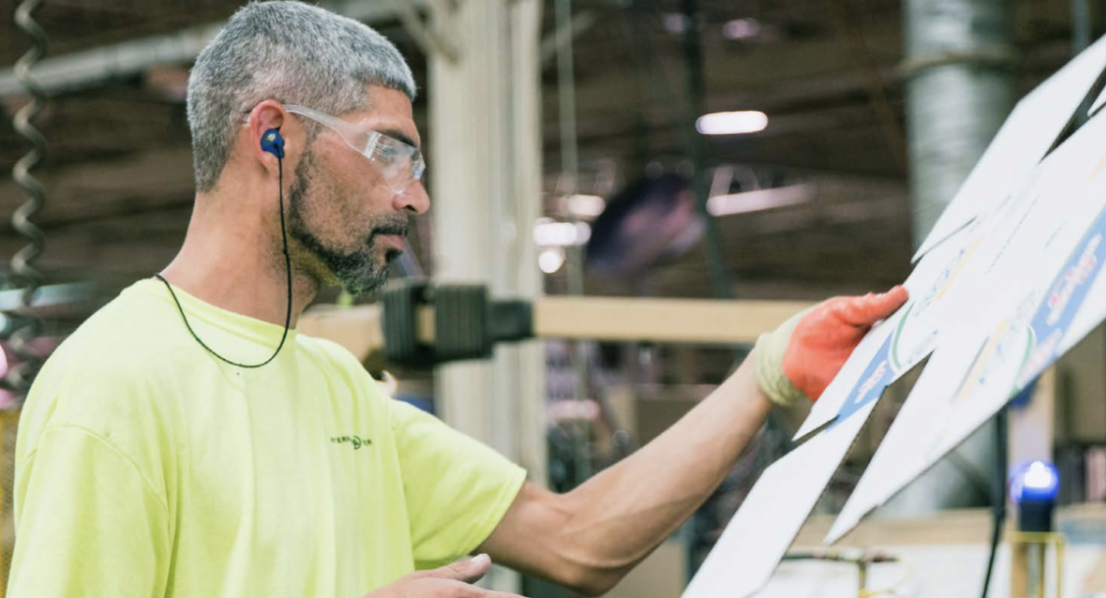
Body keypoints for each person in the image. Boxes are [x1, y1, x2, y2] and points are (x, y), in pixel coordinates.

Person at [6, 3, 908, 597]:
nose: (416, 197)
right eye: (389, 151)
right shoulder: (115, 387)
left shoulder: (335, 387)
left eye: (419, 163)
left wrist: (766, 375)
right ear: (273, 137)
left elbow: (576, 538)